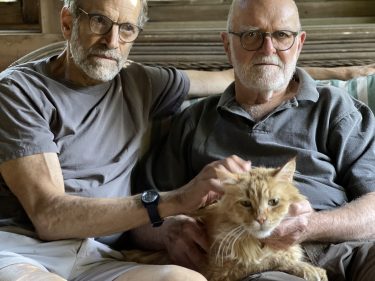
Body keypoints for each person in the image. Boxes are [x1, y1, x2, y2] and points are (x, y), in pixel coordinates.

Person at [0, 0, 255, 280]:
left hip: (96, 257)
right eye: (99, 21)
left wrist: (298, 79)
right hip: (22, 250)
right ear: (67, 22)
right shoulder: (18, 91)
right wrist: (178, 199)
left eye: (127, 29)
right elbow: (50, 216)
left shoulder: (140, 82)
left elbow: (232, 78)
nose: (112, 41)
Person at [137, 0, 375, 280]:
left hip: (350, 251)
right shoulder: (195, 121)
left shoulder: (336, 108)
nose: (268, 48)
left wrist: (313, 224)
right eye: (252, 34)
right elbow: (139, 213)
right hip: (255, 264)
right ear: (227, 45)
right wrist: (166, 231)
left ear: (299, 43)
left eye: (282, 35)